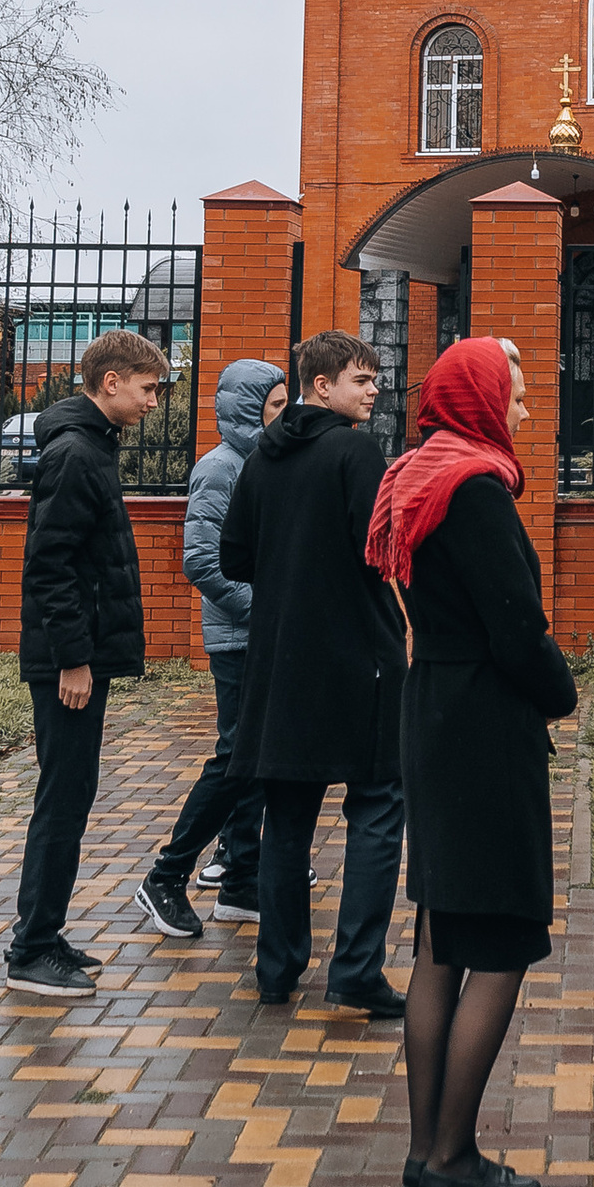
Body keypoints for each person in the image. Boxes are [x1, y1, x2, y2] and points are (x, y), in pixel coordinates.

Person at [373, 334, 580, 1187]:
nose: (525, 413)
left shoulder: (417, 474)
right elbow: (516, 626)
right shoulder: (476, 489)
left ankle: (427, 1152)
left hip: (434, 708)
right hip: (484, 726)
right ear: (480, 401)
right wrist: (562, 694)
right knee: (497, 942)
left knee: (441, 940)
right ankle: (453, 1158)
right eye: (517, 396)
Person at [217, 330, 407, 1022]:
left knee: (288, 817)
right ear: (322, 386)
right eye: (362, 378)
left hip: (281, 660)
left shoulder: (262, 457)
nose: (375, 389)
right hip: (360, 656)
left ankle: (277, 968)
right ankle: (355, 970)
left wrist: (292, 563)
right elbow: (381, 548)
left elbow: (234, 557)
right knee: (378, 805)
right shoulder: (355, 452)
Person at [8, 329, 171, 997]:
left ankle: (45, 935)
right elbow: (50, 567)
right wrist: (74, 659)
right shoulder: (76, 452)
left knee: (71, 795)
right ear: (111, 382)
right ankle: (31, 951)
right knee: (63, 798)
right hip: (67, 663)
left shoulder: (91, 445)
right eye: (148, 389)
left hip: (78, 656)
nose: (154, 402)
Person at [136, 359, 286, 938]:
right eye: (275, 406)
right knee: (235, 761)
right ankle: (165, 876)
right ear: (248, 411)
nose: (285, 416)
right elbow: (201, 561)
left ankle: (242, 882)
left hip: (264, 636)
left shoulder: (264, 463)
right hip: (239, 639)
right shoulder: (220, 468)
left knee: (256, 761)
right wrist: (266, 609)